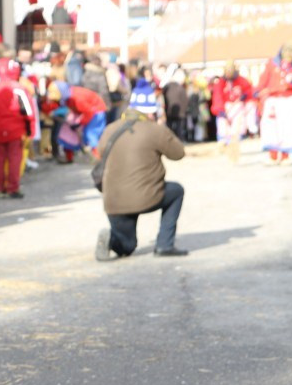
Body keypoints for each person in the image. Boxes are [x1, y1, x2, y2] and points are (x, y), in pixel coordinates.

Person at [94, 79, 187, 262]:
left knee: (127, 247)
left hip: (114, 199)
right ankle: (164, 244)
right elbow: (178, 153)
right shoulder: (155, 130)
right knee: (176, 191)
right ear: (152, 110)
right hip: (146, 194)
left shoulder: (110, 129)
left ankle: (113, 240)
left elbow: (99, 153)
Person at [0, 58, 35, 199]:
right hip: (15, 131)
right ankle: (13, 188)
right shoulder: (19, 89)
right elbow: (28, 113)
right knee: (14, 159)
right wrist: (30, 132)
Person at [256, 43, 292, 164]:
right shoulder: (271, 65)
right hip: (273, 98)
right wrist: (257, 91)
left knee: (288, 126)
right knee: (270, 126)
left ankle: (285, 155)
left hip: (289, 99)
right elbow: (263, 80)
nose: (288, 56)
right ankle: (273, 156)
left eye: (291, 53)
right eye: (286, 53)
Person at [210, 60, 252, 164]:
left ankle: (234, 152)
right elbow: (217, 97)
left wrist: (246, 95)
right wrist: (219, 110)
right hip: (225, 107)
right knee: (223, 129)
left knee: (235, 131)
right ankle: (223, 146)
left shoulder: (242, 80)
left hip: (237, 106)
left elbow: (249, 90)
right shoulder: (220, 83)